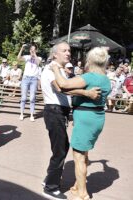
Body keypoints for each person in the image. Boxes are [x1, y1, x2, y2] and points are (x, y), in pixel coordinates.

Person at [40, 41, 101, 200]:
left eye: (69, 50)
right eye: (64, 50)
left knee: (60, 148)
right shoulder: (51, 69)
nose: (68, 53)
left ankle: (49, 179)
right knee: (60, 150)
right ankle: (50, 188)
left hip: (59, 112)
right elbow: (61, 88)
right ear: (55, 54)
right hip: (54, 112)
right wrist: (86, 94)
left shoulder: (59, 69)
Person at [51, 47, 111, 200]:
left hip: (85, 118)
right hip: (97, 117)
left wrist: (56, 69)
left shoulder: (90, 77)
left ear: (89, 61)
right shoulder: (105, 78)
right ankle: (79, 184)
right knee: (84, 152)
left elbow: (63, 84)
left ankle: (83, 193)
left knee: (78, 156)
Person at [17, 43, 41, 122]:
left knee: (32, 98)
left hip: (34, 79)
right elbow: (18, 58)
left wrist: (34, 54)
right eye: (31, 50)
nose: (32, 51)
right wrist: (22, 48)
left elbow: (38, 62)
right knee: (23, 97)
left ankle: (31, 115)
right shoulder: (27, 57)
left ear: (36, 50)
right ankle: (21, 114)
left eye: (34, 50)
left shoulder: (39, 58)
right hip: (26, 79)